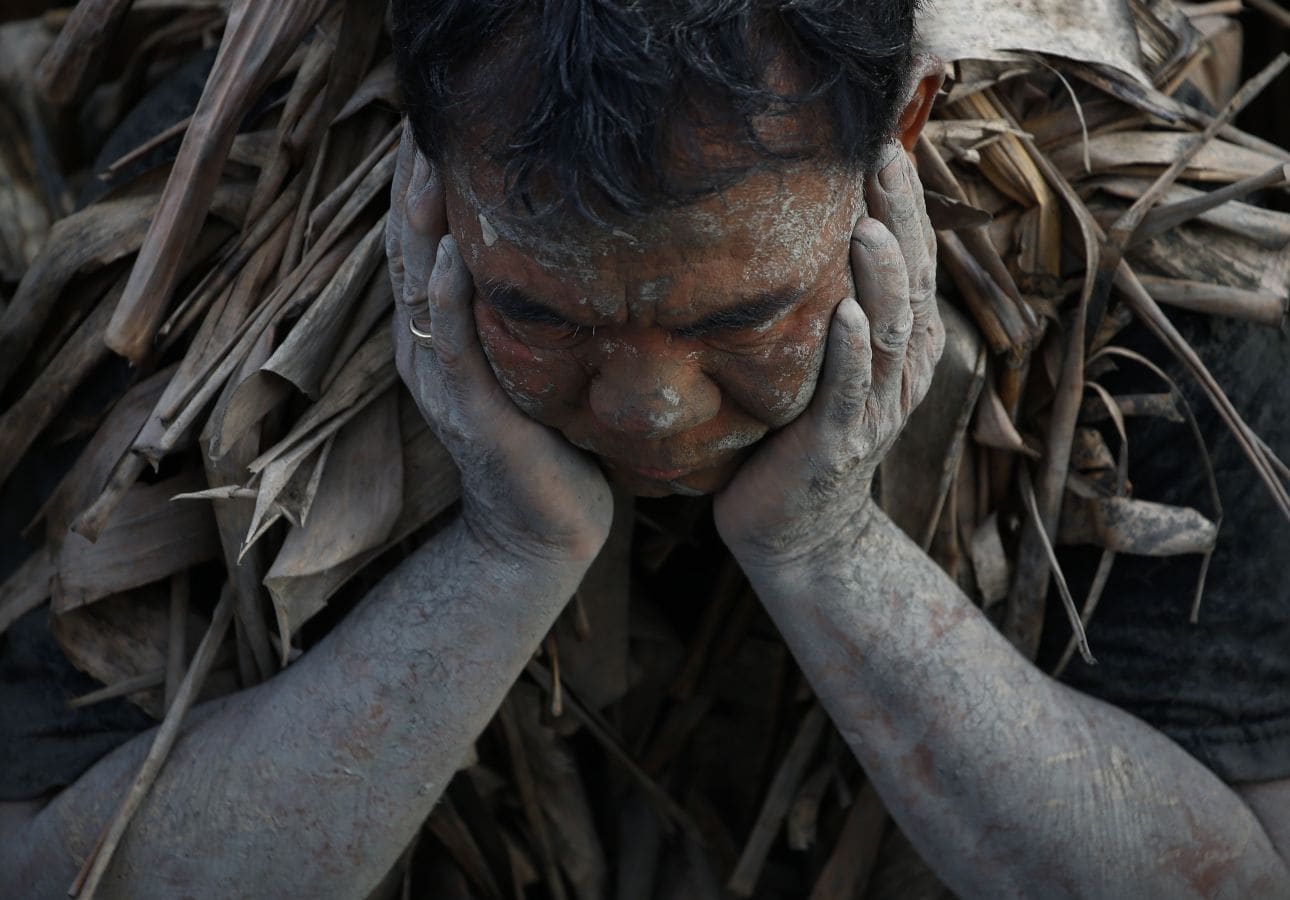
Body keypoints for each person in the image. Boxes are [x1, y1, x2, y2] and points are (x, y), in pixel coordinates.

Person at [3, 1, 1289, 896]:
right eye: (540, 312)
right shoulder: (186, 247)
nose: (652, 412)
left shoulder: (1145, 279)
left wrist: (826, 547)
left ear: (898, 138)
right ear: (425, 171)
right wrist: (513, 552)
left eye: (743, 316)